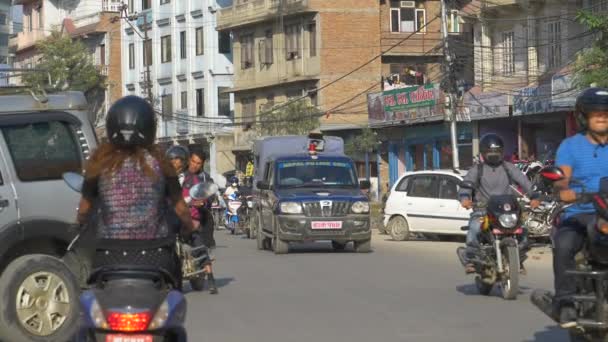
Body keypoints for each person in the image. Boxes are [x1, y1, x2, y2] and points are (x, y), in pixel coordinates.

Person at [75, 95, 196, 287]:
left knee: (92, 299)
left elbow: (84, 209)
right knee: (172, 296)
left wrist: (80, 223)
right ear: (149, 128)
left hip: (108, 256)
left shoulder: (98, 165)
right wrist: (190, 226)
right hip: (156, 256)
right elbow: (180, 208)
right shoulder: (161, 163)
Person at [549, 87, 608, 328]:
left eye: (606, 113)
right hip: (581, 211)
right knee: (563, 245)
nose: (602, 117)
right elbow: (562, 178)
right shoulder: (570, 146)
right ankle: (565, 303)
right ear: (584, 117)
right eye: (596, 113)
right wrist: (564, 189)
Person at [459, 133, 540, 274]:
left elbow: (524, 182)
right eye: (490, 151)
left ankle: (517, 260)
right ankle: (471, 259)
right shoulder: (477, 170)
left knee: (525, 234)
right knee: (474, 229)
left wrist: (534, 196)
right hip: (483, 210)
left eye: (496, 151)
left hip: (506, 211)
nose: (493, 154)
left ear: (502, 152)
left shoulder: (509, 168)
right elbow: (466, 187)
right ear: (483, 153)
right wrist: (465, 198)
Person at [166, 145, 218, 294]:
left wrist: (202, 202)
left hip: (193, 217)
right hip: (172, 217)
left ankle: (210, 276)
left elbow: (206, 193)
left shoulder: (198, 179)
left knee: (198, 242)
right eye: (172, 161)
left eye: (198, 163)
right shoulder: (169, 178)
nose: (194, 165)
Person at [182, 149, 217, 249]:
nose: (195, 165)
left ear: (202, 164)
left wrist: (203, 204)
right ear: (189, 160)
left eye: (198, 163)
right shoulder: (180, 175)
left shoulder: (205, 179)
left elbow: (210, 196)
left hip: (199, 220)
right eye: (193, 161)